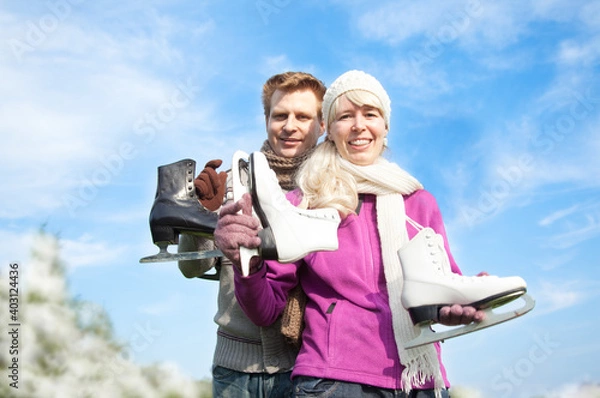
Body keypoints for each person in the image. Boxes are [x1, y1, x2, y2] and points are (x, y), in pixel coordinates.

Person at [214, 70, 487, 398]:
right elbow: (266, 309)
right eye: (345, 116)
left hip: (420, 382)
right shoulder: (304, 203)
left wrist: (453, 306)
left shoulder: (419, 202)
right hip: (333, 382)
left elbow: (436, 290)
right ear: (329, 130)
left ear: (385, 125)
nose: (359, 125)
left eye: (370, 114)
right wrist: (249, 263)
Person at [177, 71, 327, 398]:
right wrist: (200, 215)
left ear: (323, 124)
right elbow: (190, 268)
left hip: (305, 370)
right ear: (266, 119)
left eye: (303, 116)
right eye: (280, 115)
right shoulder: (232, 183)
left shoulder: (332, 191)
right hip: (234, 370)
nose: (290, 126)